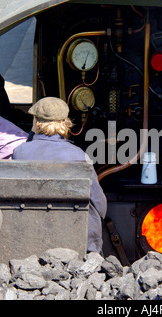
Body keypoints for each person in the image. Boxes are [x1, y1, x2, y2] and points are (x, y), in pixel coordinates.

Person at [12, 97, 107, 254]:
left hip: (34, 233)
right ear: (65, 123)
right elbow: (100, 204)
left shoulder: (20, 152)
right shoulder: (79, 156)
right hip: (76, 239)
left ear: (36, 122)